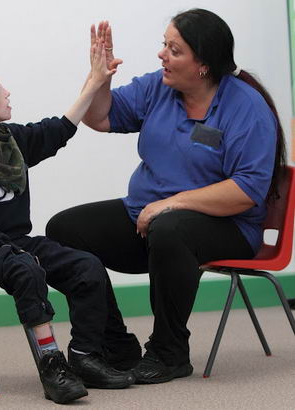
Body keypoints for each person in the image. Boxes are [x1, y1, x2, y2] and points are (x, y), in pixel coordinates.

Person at [46, 9, 287, 385]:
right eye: (165, 45)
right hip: (151, 220)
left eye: (174, 50)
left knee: (170, 227)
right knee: (64, 230)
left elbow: (246, 191)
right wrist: (99, 81)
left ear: (203, 65)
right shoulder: (160, 87)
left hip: (227, 225)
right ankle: (116, 343)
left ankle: (169, 351)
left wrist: (172, 203)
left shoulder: (245, 108)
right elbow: (101, 117)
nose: (162, 55)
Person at [0, 40, 135, 406]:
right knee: (26, 268)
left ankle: (85, 356)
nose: (7, 91)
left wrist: (94, 82)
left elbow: (58, 129)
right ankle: (51, 365)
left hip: (15, 243)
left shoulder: (9, 141)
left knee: (86, 266)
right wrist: (8, 250)